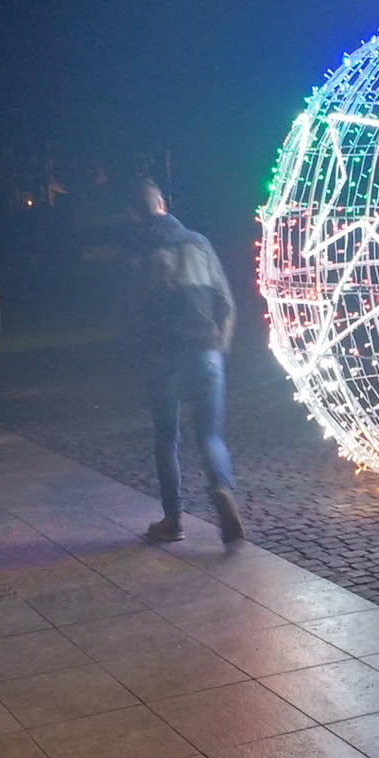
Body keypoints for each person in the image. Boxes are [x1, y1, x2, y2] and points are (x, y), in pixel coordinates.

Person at [125, 181, 243, 545]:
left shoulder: (140, 251)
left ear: (134, 215)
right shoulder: (199, 242)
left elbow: (135, 312)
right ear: (163, 203)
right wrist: (219, 347)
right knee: (210, 434)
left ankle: (173, 520)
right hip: (206, 350)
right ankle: (221, 487)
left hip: (163, 356)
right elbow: (226, 302)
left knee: (166, 438)